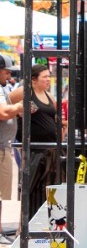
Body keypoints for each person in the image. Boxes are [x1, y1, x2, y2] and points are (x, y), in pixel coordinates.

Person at [9, 64, 60, 216]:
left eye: (48, 76)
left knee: (50, 189)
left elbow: (54, 119)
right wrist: (19, 113)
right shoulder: (24, 92)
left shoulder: (49, 96)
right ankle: (27, 225)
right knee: (31, 189)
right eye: (44, 77)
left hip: (51, 149)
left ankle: (47, 222)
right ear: (33, 79)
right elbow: (7, 106)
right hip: (33, 150)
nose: (48, 80)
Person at [0, 54, 24, 199]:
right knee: (4, 197)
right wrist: (19, 107)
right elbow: (2, 112)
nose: (9, 76)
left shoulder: (3, 89)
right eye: (6, 72)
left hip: (3, 147)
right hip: (1, 149)